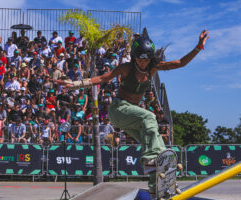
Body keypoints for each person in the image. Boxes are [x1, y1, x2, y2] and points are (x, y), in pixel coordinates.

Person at [57, 29, 209, 195]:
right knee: (150, 117)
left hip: (132, 116)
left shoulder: (154, 67)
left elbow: (180, 62)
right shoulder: (126, 68)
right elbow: (102, 78)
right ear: (135, 57)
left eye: (146, 60)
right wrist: (75, 84)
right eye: (139, 59)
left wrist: (198, 47)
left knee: (155, 141)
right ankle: (154, 159)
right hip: (118, 110)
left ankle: (156, 185)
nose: (143, 63)